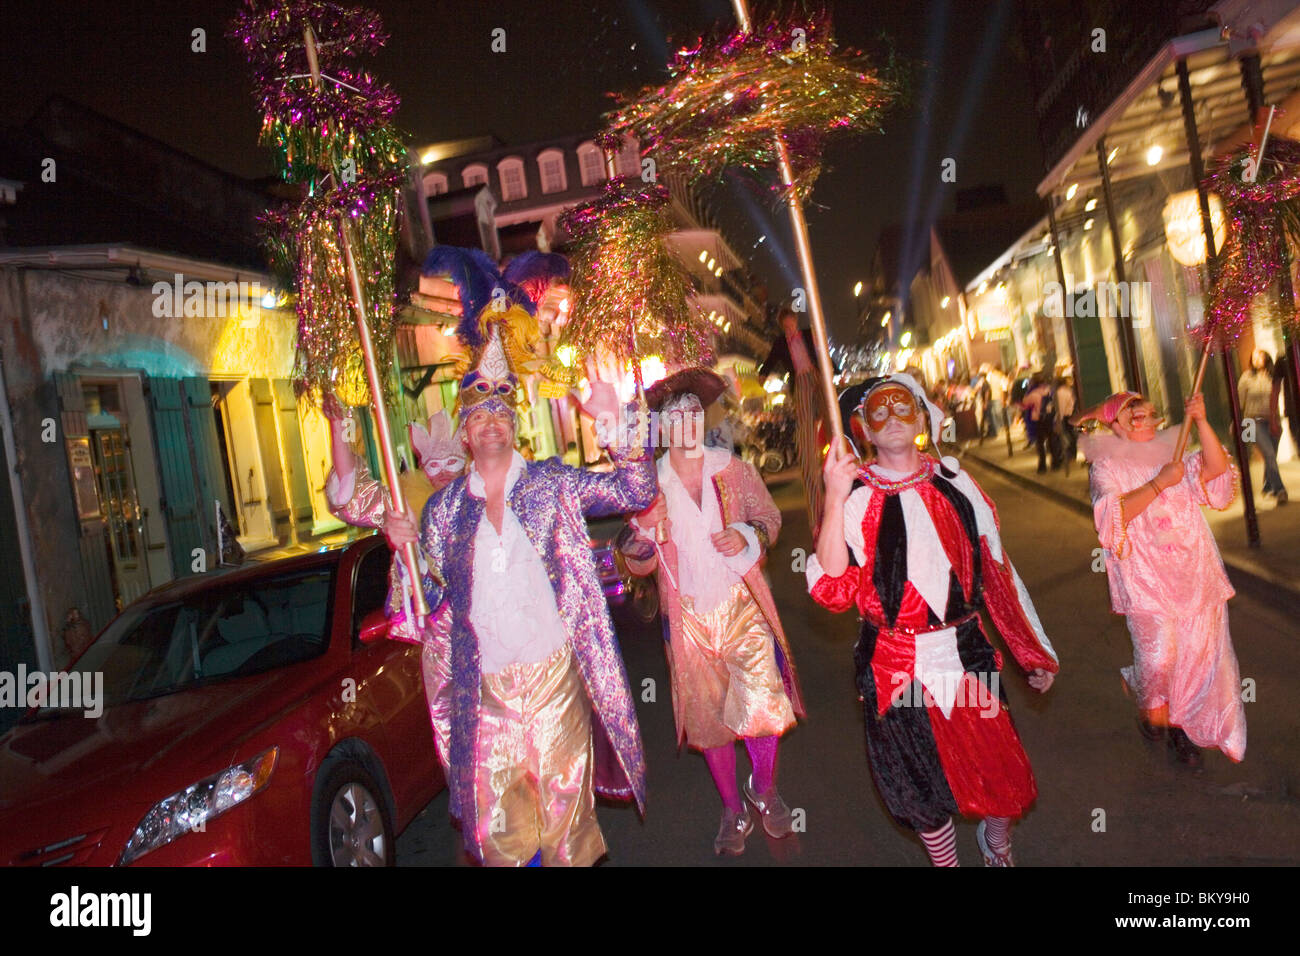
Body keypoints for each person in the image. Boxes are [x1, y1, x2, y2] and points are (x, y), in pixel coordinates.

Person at [382, 243, 655, 866]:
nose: (490, 426)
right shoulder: (445, 511)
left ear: (514, 421)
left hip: (557, 674)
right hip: (490, 692)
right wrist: (403, 552)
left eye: (499, 414)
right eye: (477, 418)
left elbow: (635, 491)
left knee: (566, 827)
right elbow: (417, 608)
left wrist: (616, 423)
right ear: (465, 428)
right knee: (505, 835)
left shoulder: (553, 484)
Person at [810, 373, 1059, 866]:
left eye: (904, 406)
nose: (893, 417)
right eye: (879, 410)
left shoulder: (956, 482)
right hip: (893, 665)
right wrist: (834, 498)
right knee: (917, 785)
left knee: (1000, 772)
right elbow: (834, 589)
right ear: (862, 428)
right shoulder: (855, 495)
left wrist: (1032, 650)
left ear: (923, 416)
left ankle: (997, 844)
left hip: (965, 653)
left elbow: (998, 571)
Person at [616, 368, 805, 856]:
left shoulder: (733, 468)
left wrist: (746, 534)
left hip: (743, 606)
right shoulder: (647, 488)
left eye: (696, 412)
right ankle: (730, 808)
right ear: (662, 425)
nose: (690, 422)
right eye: (678, 414)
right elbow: (634, 563)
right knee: (708, 721)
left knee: (763, 705)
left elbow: (770, 518)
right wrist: (640, 532)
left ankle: (762, 790)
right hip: (689, 619)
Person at [1074, 390, 1246, 768]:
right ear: (1115, 425)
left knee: (1194, 658)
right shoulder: (1107, 466)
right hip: (1144, 580)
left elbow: (1216, 473)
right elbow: (1110, 516)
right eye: (1134, 415)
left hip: (1194, 574)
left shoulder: (1177, 453)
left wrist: (1200, 420)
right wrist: (1158, 484)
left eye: (1151, 413)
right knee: (1160, 656)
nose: (1146, 419)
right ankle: (1145, 691)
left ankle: (1181, 731)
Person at [1237, 349, 1288, 504]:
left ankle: (1267, 487)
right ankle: (1279, 490)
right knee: (1269, 454)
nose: (1256, 358)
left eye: (1260, 355)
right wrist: (1238, 423)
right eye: (1253, 355)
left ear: (1266, 357)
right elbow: (1239, 402)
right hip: (1252, 422)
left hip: (1272, 421)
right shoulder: (1246, 377)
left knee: (1270, 456)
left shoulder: (1273, 376)